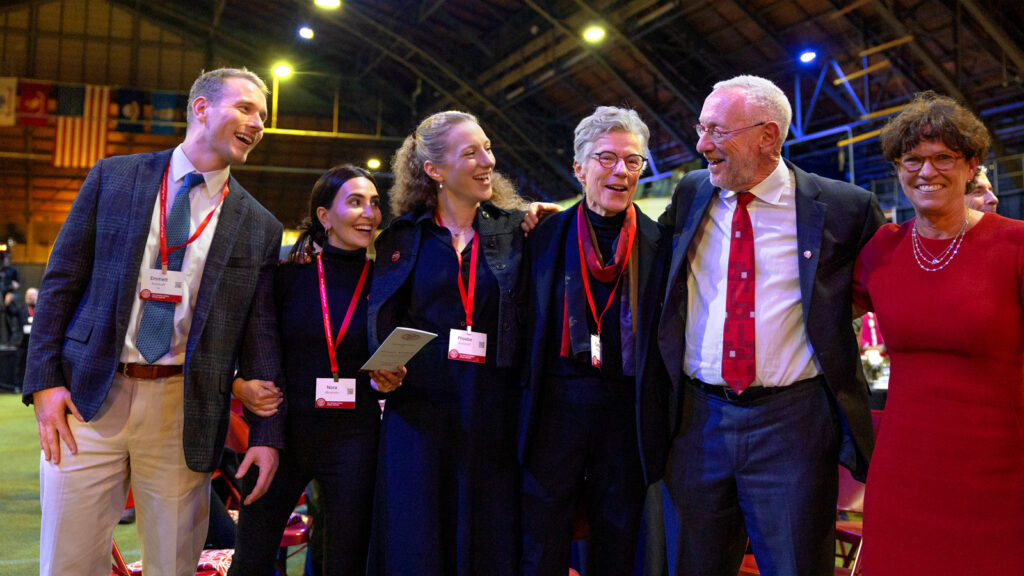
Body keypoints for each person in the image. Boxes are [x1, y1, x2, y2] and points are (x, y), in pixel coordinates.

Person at [23, 67, 283, 576]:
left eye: (263, 116)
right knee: (68, 562)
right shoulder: (113, 177)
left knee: (173, 564)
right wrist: (45, 383)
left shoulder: (259, 225)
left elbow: (261, 335)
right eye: (246, 108)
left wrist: (267, 433)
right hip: (87, 398)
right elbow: (60, 283)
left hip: (181, 407)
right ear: (201, 108)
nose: (257, 124)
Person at [657, 75, 885, 576]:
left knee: (796, 565)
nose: (701, 145)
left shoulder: (844, 208)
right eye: (701, 128)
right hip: (698, 422)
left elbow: (885, 290)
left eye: (717, 130)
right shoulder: (693, 192)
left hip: (793, 425)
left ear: (768, 136)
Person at [853, 91, 1023, 575]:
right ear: (898, 168)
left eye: (943, 158)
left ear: (972, 166)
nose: (927, 172)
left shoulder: (1014, 244)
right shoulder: (881, 250)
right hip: (904, 466)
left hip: (1002, 467)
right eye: (912, 160)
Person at [367, 110, 528, 576]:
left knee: (488, 537)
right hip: (418, 414)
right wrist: (382, 369)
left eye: (488, 149)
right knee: (416, 539)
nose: (487, 162)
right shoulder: (401, 237)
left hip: (492, 412)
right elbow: (382, 317)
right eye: (471, 152)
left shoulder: (515, 232)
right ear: (434, 170)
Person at [228, 165, 405, 576]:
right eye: (356, 202)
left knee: (345, 564)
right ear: (325, 216)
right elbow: (244, 345)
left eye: (375, 204)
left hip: (355, 441)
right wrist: (238, 385)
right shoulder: (287, 274)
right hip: (280, 436)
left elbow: (393, 354)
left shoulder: (386, 281)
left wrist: (394, 375)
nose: (369, 214)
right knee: (251, 559)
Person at [518, 106, 669, 576]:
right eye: (606, 158)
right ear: (579, 168)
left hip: (626, 412)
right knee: (541, 534)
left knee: (620, 535)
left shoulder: (659, 243)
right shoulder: (541, 236)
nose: (620, 171)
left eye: (633, 161)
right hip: (554, 409)